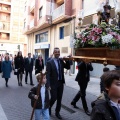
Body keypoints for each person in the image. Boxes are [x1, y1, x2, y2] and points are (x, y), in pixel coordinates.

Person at [46, 47, 70, 119]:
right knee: (54, 98)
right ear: (53, 53)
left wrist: (67, 60)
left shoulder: (61, 61)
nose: (57, 53)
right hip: (53, 83)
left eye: (58, 52)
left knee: (59, 98)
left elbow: (68, 67)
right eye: (56, 52)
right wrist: (48, 84)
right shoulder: (49, 62)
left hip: (60, 83)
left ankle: (57, 112)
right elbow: (48, 74)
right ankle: (49, 107)